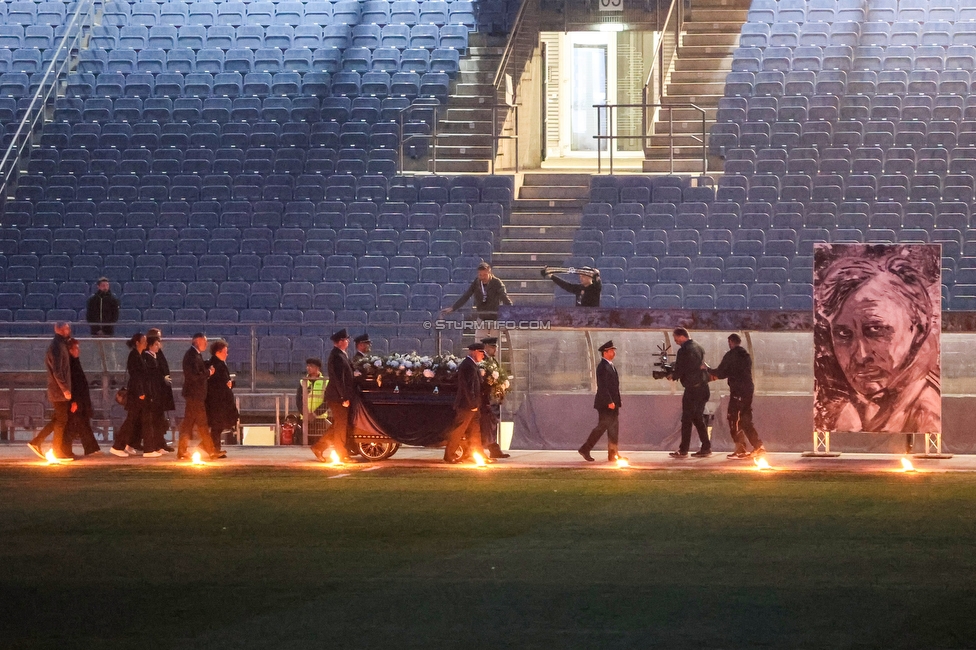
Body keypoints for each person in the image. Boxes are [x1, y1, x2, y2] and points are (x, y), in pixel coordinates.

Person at [814, 244, 941, 447]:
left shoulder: (926, 414)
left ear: (919, 326)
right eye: (843, 334)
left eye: (876, 331)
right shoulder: (846, 407)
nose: (860, 355)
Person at [709, 334, 766, 459]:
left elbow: (721, 372)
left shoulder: (731, 355)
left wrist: (708, 370)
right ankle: (758, 446)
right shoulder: (746, 355)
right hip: (748, 390)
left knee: (733, 419)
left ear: (730, 342)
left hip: (738, 391)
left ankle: (741, 448)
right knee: (745, 419)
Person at [28, 322, 74, 461]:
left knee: (58, 419)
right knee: (61, 420)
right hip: (58, 391)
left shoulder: (59, 345)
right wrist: (65, 389)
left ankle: (36, 441)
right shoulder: (57, 346)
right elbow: (57, 372)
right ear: (60, 330)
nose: (69, 330)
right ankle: (57, 451)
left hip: (57, 390)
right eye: (67, 328)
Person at [312, 329, 356, 462]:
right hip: (338, 397)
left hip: (338, 396)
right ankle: (341, 454)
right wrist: (343, 397)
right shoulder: (337, 356)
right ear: (341, 341)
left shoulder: (341, 354)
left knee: (338, 425)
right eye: (346, 339)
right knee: (340, 426)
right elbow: (338, 379)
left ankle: (319, 447)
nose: (348, 342)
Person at [668, 328, 712, 459]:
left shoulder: (684, 350)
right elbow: (694, 366)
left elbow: (683, 367)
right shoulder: (699, 347)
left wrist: (673, 375)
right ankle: (706, 446)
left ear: (682, 336)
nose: (676, 342)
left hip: (693, 390)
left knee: (687, 419)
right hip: (703, 388)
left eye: (676, 339)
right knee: (698, 418)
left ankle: (683, 449)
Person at [578, 340, 623, 462]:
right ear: (605, 352)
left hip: (613, 402)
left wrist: (616, 401)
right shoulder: (602, 367)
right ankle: (585, 448)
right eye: (611, 351)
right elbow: (603, 386)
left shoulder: (610, 365)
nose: (613, 353)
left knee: (613, 428)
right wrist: (609, 401)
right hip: (605, 403)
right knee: (602, 426)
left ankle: (613, 453)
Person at [444, 342, 488, 464]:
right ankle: (449, 455)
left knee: (475, 431)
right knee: (458, 430)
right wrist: (472, 404)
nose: (483, 356)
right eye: (481, 352)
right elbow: (467, 387)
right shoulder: (467, 365)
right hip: (466, 405)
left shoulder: (472, 365)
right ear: (474, 352)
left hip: (473, 405)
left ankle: (478, 454)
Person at [110, 333, 153, 458]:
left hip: (138, 393)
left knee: (135, 420)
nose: (146, 343)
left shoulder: (139, 355)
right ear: (137, 343)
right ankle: (117, 446)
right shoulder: (134, 356)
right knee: (131, 421)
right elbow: (136, 377)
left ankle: (130, 445)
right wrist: (141, 393)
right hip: (136, 394)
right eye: (144, 341)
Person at [179, 333, 217, 460]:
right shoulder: (191, 356)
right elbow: (194, 376)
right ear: (197, 341)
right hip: (194, 395)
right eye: (204, 342)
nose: (206, 344)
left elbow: (198, 370)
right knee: (202, 424)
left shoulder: (195, 355)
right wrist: (209, 372)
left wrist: (206, 368)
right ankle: (211, 450)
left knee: (188, 424)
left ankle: (182, 451)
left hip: (194, 395)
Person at [65, 338, 101, 457]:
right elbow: (73, 383)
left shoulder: (75, 361)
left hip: (81, 398)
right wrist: (74, 401)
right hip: (77, 399)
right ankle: (88, 448)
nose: (78, 350)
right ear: (70, 350)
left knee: (83, 423)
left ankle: (91, 448)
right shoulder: (70, 364)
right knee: (77, 423)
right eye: (75, 348)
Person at [440, 261, 513, 320]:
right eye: (480, 275)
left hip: (494, 318)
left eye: (485, 275)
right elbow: (466, 296)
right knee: (479, 338)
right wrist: (453, 308)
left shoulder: (497, 283)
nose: (482, 277)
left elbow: (505, 298)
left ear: (490, 273)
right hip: (481, 317)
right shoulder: (477, 282)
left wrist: (510, 312)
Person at [205, 340, 236, 459]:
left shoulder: (220, 364)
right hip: (217, 401)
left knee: (219, 426)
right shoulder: (215, 364)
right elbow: (215, 383)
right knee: (217, 426)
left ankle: (212, 447)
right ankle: (212, 448)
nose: (227, 354)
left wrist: (231, 384)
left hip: (221, 400)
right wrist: (227, 384)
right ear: (218, 352)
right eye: (225, 352)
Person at [480, 336, 509, 459]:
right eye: (492, 347)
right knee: (486, 425)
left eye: (495, 347)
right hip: (486, 398)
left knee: (493, 424)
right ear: (486, 347)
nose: (494, 349)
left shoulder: (493, 361)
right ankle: (483, 448)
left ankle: (493, 448)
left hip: (494, 398)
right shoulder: (483, 361)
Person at [147, 328, 175, 453]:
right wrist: (162, 378)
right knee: (154, 419)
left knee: (159, 419)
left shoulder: (158, 353)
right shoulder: (148, 355)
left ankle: (160, 443)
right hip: (155, 392)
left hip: (161, 391)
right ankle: (155, 444)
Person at [141, 335, 168, 457]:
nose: (159, 347)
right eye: (156, 344)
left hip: (157, 393)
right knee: (152, 421)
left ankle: (158, 445)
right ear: (150, 345)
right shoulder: (147, 357)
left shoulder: (154, 357)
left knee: (158, 421)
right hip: (152, 393)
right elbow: (151, 377)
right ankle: (152, 447)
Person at [298, 357, 330, 447]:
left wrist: (315, 413)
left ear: (317, 368)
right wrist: (305, 413)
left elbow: (327, 401)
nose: (308, 368)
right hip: (305, 418)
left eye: (311, 366)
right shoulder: (303, 381)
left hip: (320, 418)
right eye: (307, 366)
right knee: (304, 443)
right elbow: (298, 400)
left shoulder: (326, 382)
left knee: (318, 442)